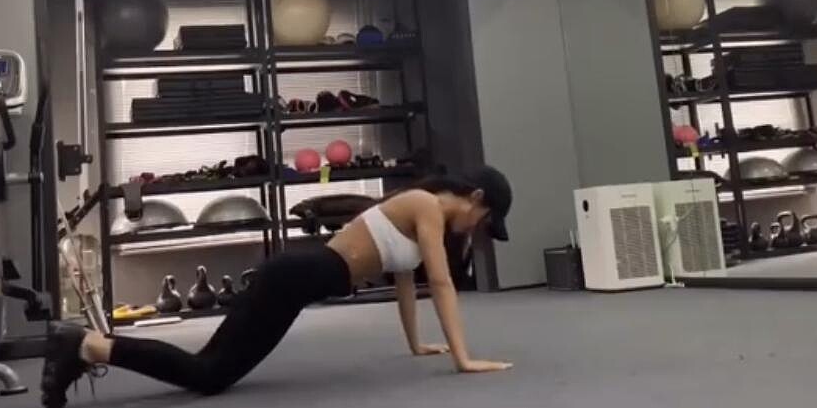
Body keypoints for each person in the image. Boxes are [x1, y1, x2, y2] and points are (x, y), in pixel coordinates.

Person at [41, 166, 514, 407]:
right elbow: (441, 282)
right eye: (485, 218)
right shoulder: (426, 206)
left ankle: (83, 348)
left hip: (296, 281)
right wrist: (464, 359)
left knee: (211, 369)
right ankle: (87, 345)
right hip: (294, 278)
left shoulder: (419, 212)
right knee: (209, 373)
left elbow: (407, 280)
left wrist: (417, 344)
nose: (477, 228)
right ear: (475, 197)